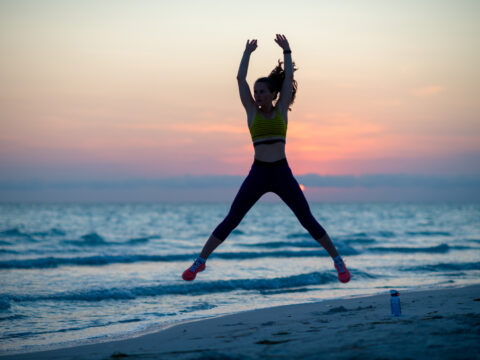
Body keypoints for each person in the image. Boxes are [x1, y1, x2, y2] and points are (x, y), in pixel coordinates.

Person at [182, 34, 350, 283]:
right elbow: (240, 79)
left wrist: (287, 51)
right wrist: (247, 53)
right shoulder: (251, 112)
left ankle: (338, 261)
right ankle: (200, 262)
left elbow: (289, 78)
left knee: (307, 219)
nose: (257, 95)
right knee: (232, 219)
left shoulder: (282, 110)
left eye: (262, 91)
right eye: (255, 92)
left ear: (273, 93)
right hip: (259, 173)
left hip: (281, 173)